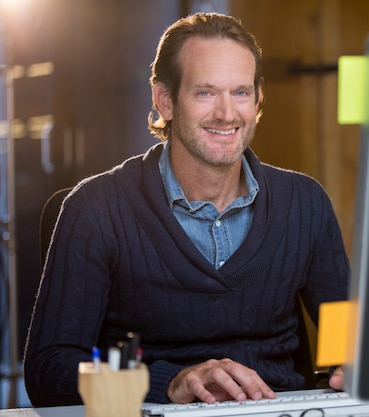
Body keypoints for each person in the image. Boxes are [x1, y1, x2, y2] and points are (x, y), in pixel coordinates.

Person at [24, 12, 348, 407]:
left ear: (258, 98)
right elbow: (50, 368)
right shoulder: (95, 210)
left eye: (241, 92)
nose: (227, 114)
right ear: (166, 100)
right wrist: (167, 382)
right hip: (154, 412)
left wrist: (353, 363)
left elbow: (348, 341)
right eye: (206, 92)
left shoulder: (305, 203)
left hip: (279, 408)